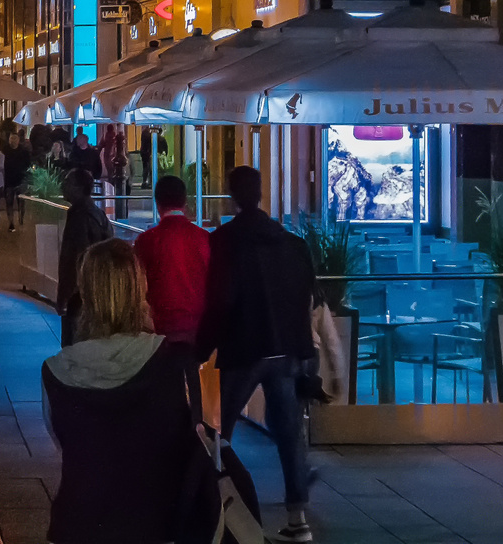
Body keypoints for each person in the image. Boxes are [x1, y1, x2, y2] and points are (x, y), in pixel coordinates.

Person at [42, 238, 197, 544]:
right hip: (156, 525)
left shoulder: (56, 371)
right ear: (140, 287)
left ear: (85, 293)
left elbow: (62, 440)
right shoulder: (175, 362)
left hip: (78, 526)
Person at [197, 166, 317, 544]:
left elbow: (221, 299)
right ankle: (298, 519)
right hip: (284, 348)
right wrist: (304, 350)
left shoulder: (225, 241)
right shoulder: (292, 243)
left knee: (217, 432)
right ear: (262, 193)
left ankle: (216, 509)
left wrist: (202, 348)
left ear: (232, 194)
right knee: (289, 434)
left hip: (244, 347)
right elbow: (305, 296)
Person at [133, 174, 210, 344]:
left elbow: (138, 286)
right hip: (197, 328)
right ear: (184, 203)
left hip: (160, 329)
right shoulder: (204, 238)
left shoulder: (146, 241)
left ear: (157, 204)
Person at [58, 168, 113, 347]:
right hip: (94, 292)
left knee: (75, 345)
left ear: (80, 188)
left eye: (68, 182)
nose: (63, 186)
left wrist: (65, 295)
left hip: (81, 296)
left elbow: (76, 257)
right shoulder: (97, 215)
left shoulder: (80, 217)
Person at [2, 130, 33, 234]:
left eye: (15, 138)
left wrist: (28, 178)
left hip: (20, 180)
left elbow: (28, 165)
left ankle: (21, 220)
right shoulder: (5, 151)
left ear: (19, 140)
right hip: (9, 181)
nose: (13, 141)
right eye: (11, 138)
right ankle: (11, 222)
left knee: (21, 203)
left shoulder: (23, 152)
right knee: (9, 202)